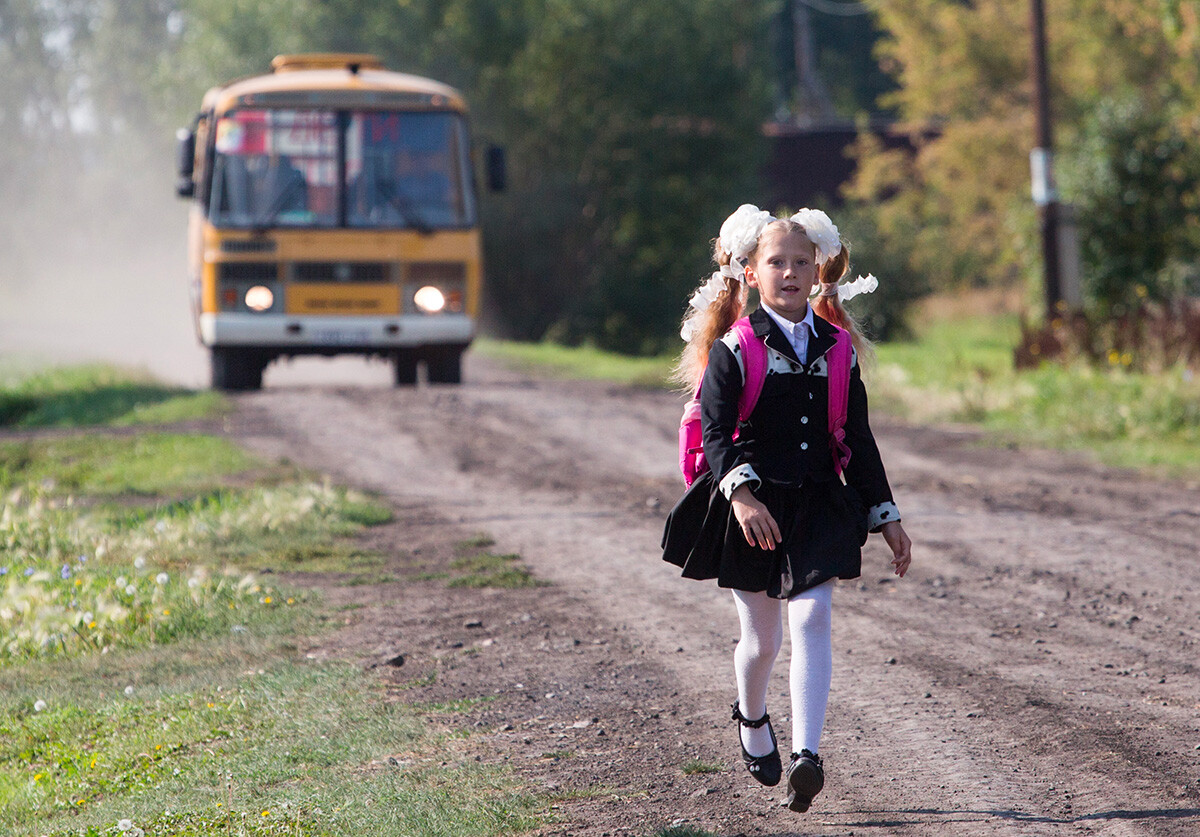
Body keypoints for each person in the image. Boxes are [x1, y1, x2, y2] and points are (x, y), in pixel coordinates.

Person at [661, 205, 912, 813]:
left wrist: (885, 511)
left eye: (803, 262)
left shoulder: (839, 349)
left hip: (820, 502)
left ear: (819, 270)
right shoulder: (735, 347)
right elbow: (717, 435)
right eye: (777, 262)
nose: (791, 272)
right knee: (762, 640)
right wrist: (743, 498)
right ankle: (751, 717)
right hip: (751, 506)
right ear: (750, 273)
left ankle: (808, 756)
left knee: (813, 620)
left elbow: (857, 434)